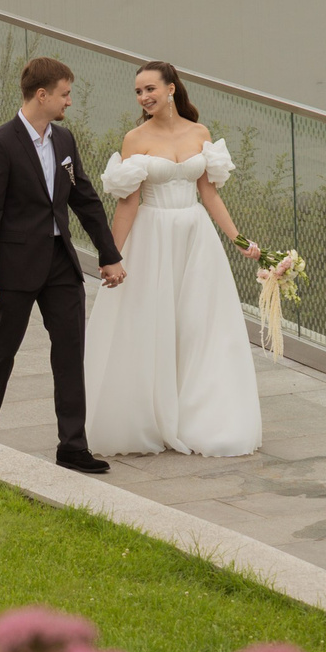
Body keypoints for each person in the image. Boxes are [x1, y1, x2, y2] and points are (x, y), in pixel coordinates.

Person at [86, 61, 265, 457]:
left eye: (150, 88)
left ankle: (203, 417)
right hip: (152, 237)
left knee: (200, 326)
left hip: (195, 236)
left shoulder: (200, 133)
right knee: (150, 324)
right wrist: (110, 255)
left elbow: (210, 194)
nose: (143, 97)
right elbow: (127, 205)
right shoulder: (135, 139)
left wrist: (239, 240)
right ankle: (150, 416)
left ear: (171, 89)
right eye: (138, 91)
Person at [0, 56, 125, 474]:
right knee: (2, 350)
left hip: (59, 265)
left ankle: (72, 446)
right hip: (14, 269)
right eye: (64, 94)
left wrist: (109, 255)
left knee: (71, 353)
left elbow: (84, 199)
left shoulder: (64, 141)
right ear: (42, 95)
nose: (68, 102)